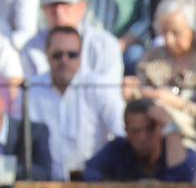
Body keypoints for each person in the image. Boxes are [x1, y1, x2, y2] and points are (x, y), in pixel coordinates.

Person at [27, 25, 127, 179]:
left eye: (72, 55)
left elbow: (122, 131)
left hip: (92, 182)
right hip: (44, 184)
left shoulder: (99, 86)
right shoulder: (31, 89)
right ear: (46, 54)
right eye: (57, 55)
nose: (64, 61)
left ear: (81, 56)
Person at [130, 0, 196, 144]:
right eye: (164, 32)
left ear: (194, 31)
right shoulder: (152, 58)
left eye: (175, 33)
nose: (168, 39)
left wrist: (174, 102)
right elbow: (138, 97)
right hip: (152, 134)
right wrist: (139, 92)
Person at [20, 0, 123, 86]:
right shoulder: (31, 48)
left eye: (65, 4)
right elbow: (33, 93)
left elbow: (109, 94)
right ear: (44, 9)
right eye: (53, 5)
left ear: (82, 6)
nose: (58, 12)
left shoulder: (106, 45)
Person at [84, 97, 196, 181]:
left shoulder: (177, 154)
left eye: (149, 129)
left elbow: (182, 181)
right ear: (127, 132)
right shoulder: (117, 150)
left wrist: (170, 123)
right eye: (136, 131)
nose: (143, 137)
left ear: (160, 128)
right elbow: (90, 174)